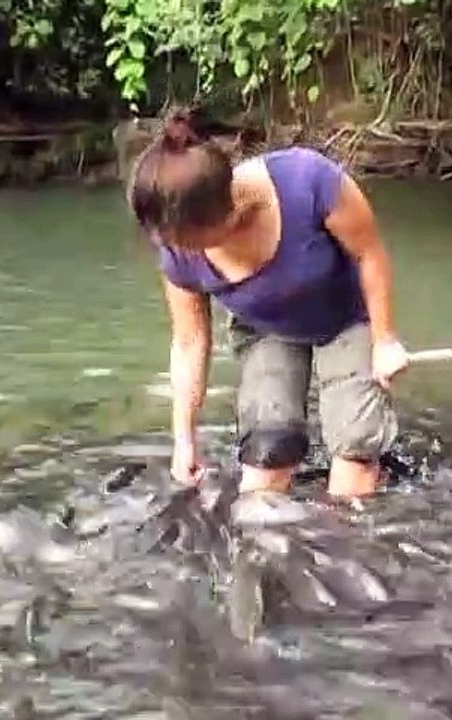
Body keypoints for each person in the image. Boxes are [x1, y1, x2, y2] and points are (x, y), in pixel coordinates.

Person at [127, 106, 409, 498]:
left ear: (224, 215)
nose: (179, 253)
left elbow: (369, 254)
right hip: (266, 328)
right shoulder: (176, 246)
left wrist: (384, 340)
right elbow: (190, 343)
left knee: (354, 459)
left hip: (345, 316)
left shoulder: (308, 181)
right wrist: (184, 439)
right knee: (265, 462)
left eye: (190, 242)